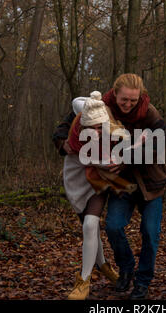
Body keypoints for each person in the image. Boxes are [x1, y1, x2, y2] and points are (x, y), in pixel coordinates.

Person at [53, 74, 166, 300]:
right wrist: (63, 142)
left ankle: (142, 282)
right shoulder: (102, 107)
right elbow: (68, 123)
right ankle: (125, 268)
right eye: (124, 99)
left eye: (133, 101)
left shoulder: (151, 113)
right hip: (121, 184)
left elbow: (159, 143)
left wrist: (127, 156)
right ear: (115, 95)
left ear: (141, 97)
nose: (128, 105)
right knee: (113, 226)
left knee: (150, 233)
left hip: (150, 183)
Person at [62, 91, 137, 300]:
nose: (96, 131)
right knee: (90, 231)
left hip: (99, 179)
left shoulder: (113, 131)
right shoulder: (81, 116)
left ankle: (83, 281)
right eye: (91, 128)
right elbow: (76, 101)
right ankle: (103, 265)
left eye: (99, 127)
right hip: (76, 175)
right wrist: (95, 101)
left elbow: (112, 161)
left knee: (90, 225)